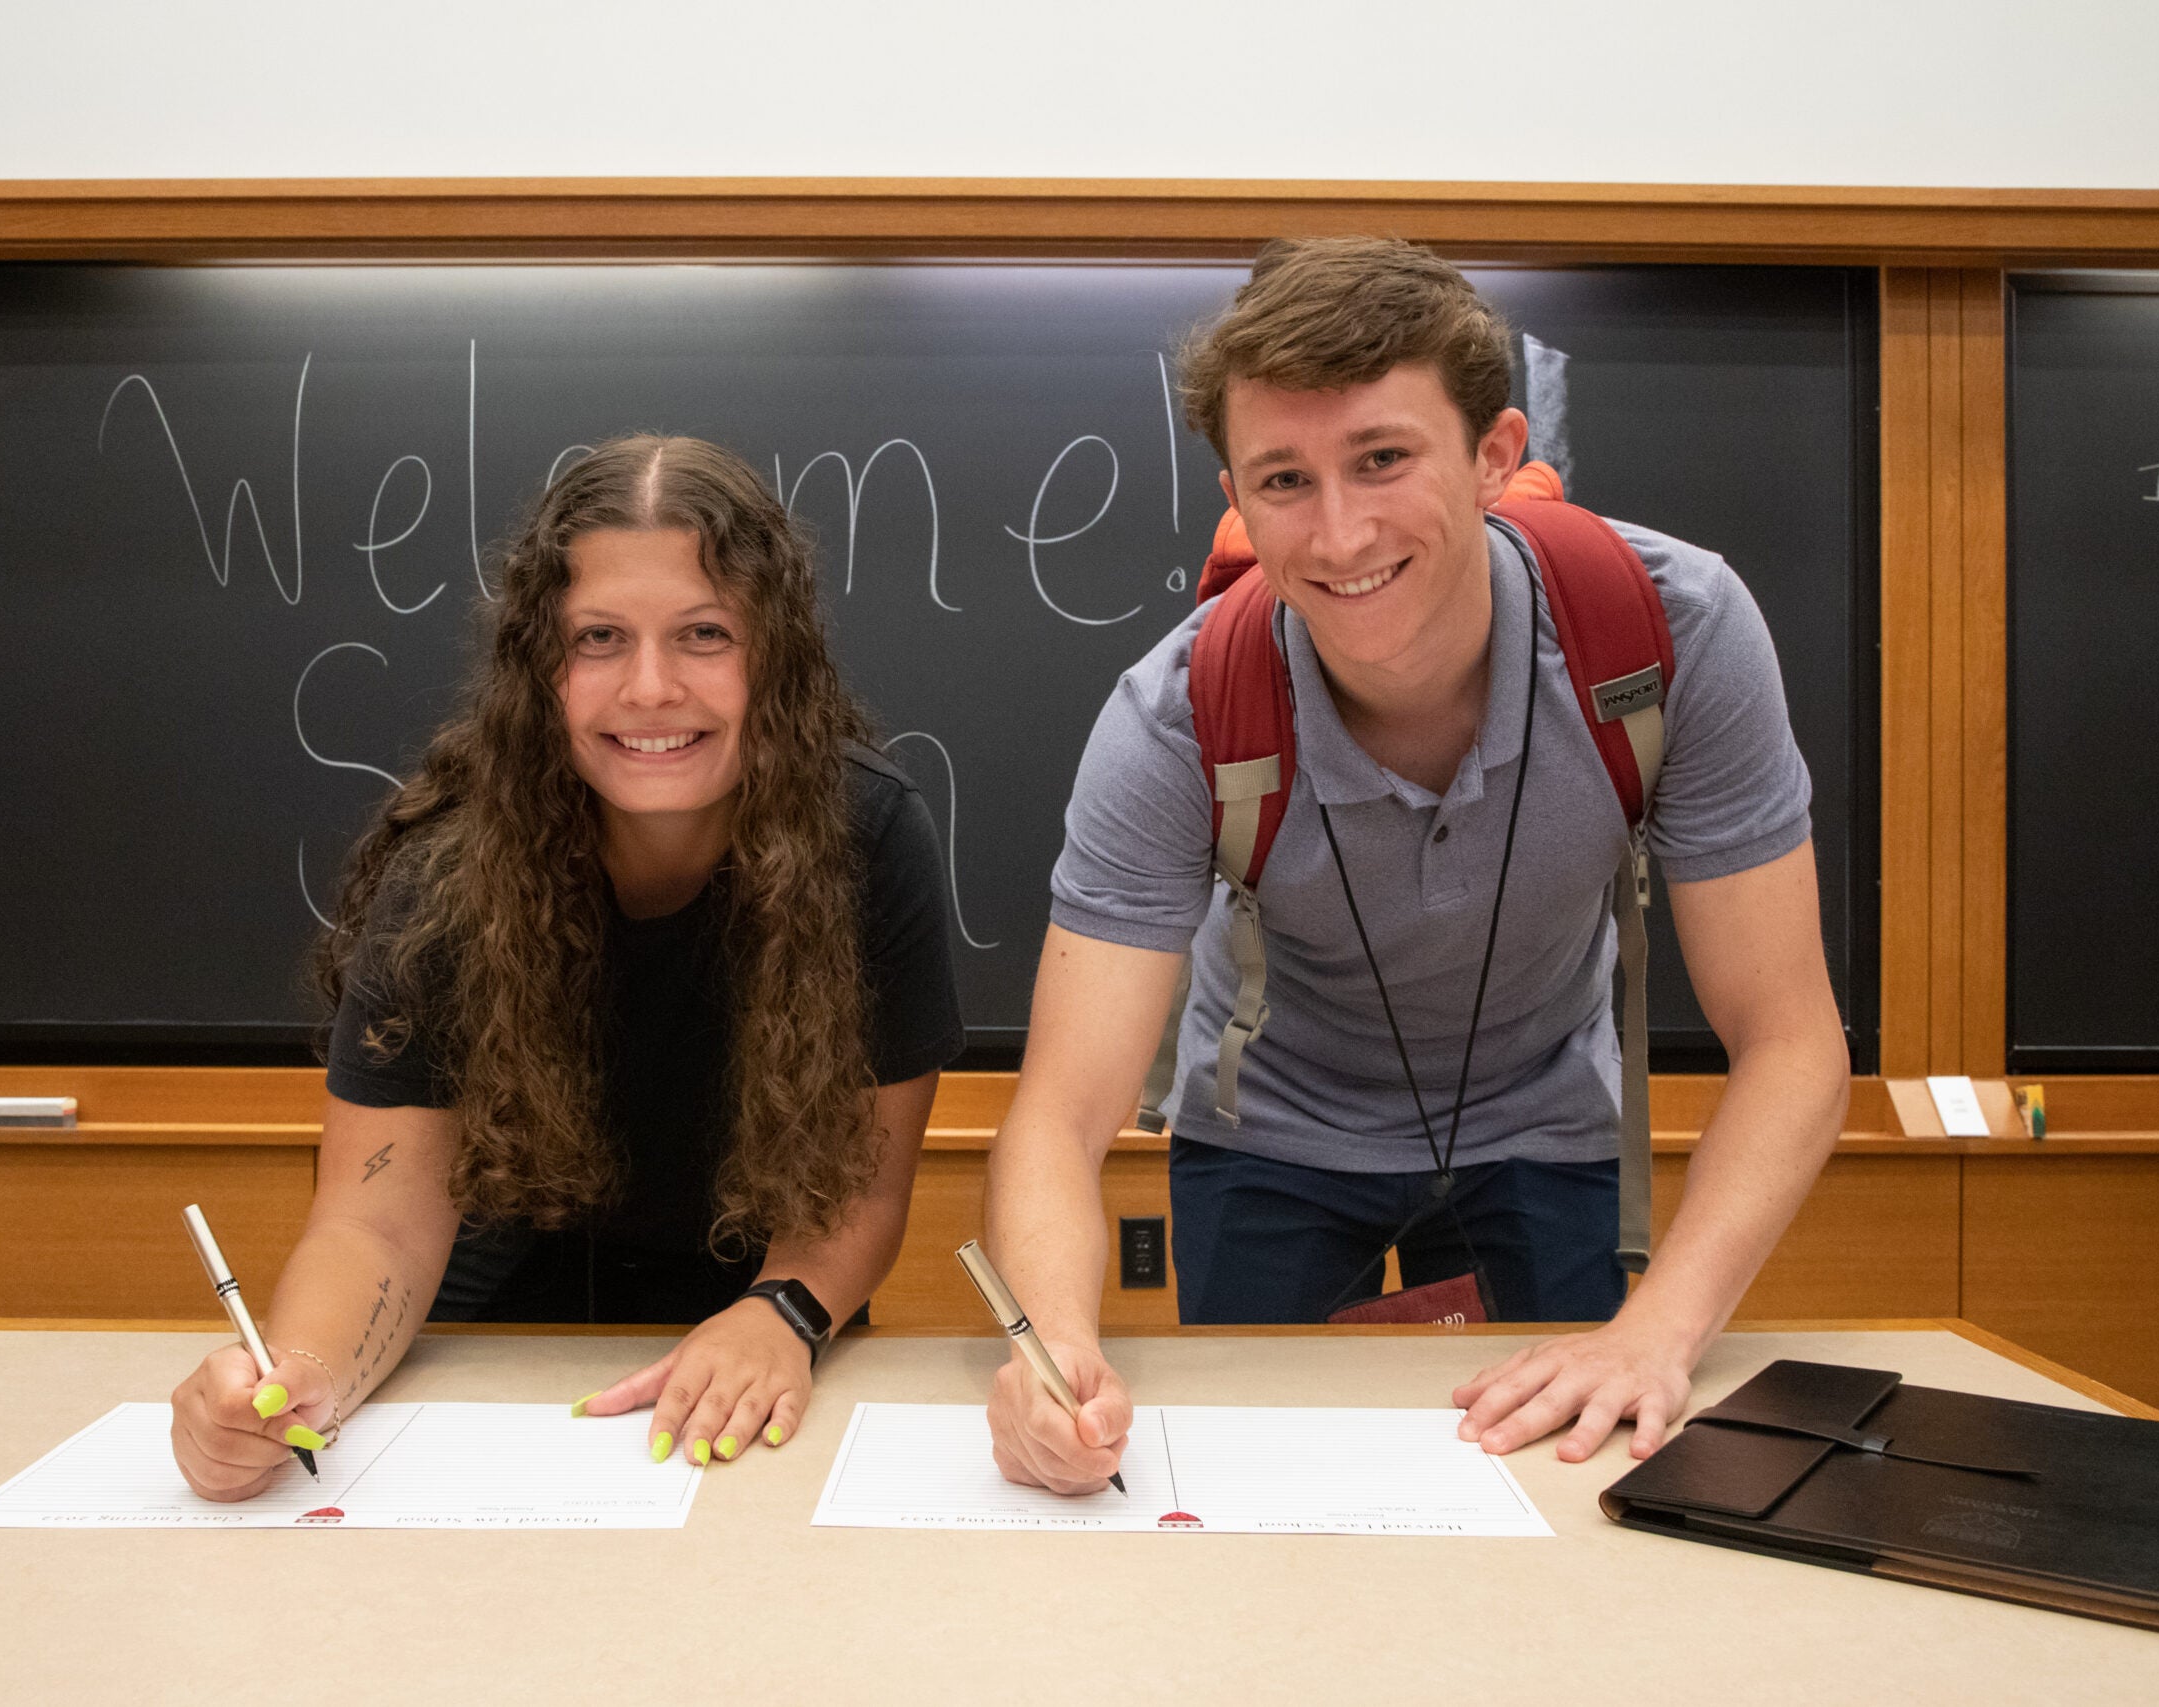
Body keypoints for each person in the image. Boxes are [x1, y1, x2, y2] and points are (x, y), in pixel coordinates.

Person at [983, 238, 1850, 1495]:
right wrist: (1049, 1351)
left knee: (1562, 1480)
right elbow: (1057, 1116)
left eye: (1383, 458)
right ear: (1234, 489)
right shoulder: (1178, 719)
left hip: (1542, 1112)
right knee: (1252, 1505)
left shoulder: (1671, 636)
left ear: (1495, 455)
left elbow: (1789, 1038)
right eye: (1286, 478)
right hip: (1271, 1131)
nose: (1340, 534)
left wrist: (1659, 1329)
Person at [170, 435, 964, 1498]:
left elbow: (866, 1183)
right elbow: (374, 1218)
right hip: (493, 1342)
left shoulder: (868, 835)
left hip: (771, 1327)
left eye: (704, 634)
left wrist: (784, 1311)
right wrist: (296, 1380)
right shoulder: (448, 870)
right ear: (538, 667)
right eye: (598, 637)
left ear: (774, 656)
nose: (649, 687)